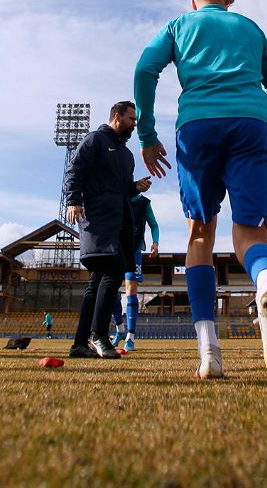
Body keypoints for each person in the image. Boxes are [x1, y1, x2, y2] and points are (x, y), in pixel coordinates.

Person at [134, 0, 267, 380]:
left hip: (197, 126)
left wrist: (148, 135)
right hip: (250, 123)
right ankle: (266, 282)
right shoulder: (250, 27)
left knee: (199, 234)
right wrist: (259, 116)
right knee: (252, 235)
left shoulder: (178, 25)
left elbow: (145, 70)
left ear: (194, 0)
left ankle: (210, 353)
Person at [64, 102, 151, 359]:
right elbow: (75, 170)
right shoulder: (95, 140)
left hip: (118, 222)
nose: (134, 124)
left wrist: (135, 187)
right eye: (131, 118)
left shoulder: (127, 155)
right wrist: (73, 200)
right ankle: (99, 335)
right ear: (117, 116)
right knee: (113, 270)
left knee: (97, 280)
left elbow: (122, 189)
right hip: (97, 220)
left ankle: (79, 344)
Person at [113, 188, 160, 351]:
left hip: (134, 252)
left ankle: (130, 337)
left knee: (131, 292)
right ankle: (120, 329)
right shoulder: (117, 197)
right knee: (110, 291)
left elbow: (154, 225)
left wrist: (155, 243)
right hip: (116, 250)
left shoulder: (144, 203)